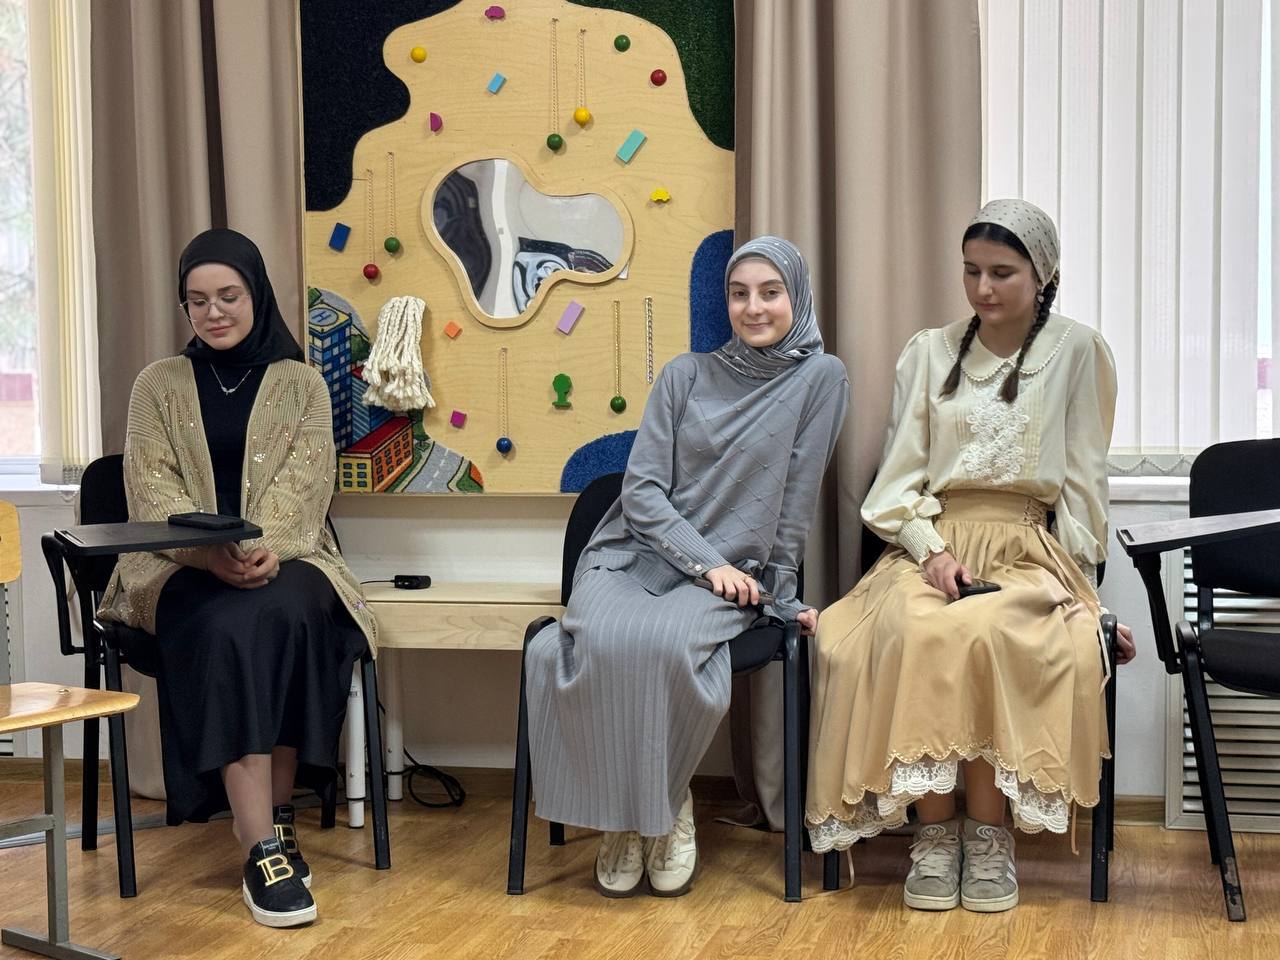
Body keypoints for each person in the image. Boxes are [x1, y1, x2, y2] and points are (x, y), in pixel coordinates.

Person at [805, 200, 1136, 914]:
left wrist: (1089, 594)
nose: (983, 288)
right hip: (931, 543)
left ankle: (989, 835)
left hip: (1028, 549)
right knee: (914, 628)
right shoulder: (929, 351)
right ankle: (935, 834)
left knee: (993, 631)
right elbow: (897, 484)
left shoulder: (1079, 351)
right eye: (971, 271)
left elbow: (1084, 485)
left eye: (1002, 273)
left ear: (1043, 276)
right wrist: (931, 552)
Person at [525, 236, 849, 898]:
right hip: (632, 554)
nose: (753, 307)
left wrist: (780, 597)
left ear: (796, 296)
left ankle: (661, 805)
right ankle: (627, 817)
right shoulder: (684, 375)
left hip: (737, 572)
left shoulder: (821, 378)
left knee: (665, 645)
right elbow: (642, 492)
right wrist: (703, 565)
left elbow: (795, 501)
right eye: (739, 294)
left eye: (770, 293)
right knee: (596, 638)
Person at [98, 228, 377, 928]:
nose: (213, 312)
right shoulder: (155, 384)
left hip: (290, 556)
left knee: (285, 611)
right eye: (197, 301)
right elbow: (151, 493)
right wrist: (208, 556)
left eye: (228, 296)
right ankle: (262, 848)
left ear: (257, 295)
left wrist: (259, 550)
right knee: (230, 624)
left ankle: (276, 817)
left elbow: (306, 487)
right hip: (173, 565)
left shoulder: (302, 383)